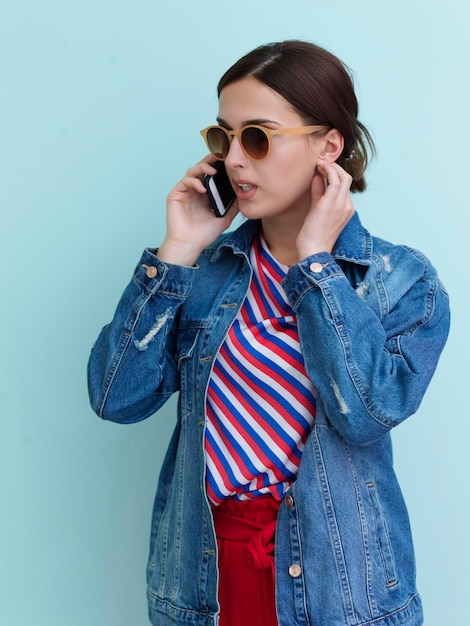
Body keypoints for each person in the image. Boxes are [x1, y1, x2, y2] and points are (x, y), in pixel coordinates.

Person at [87, 40, 450, 626]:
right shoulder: (199, 276)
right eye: (222, 137)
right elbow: (115, 399)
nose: (233, 159)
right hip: (212, 576)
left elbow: (365, 413)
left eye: (257, 136)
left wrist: (316, 267)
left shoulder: (400, 282)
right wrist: (176, 250)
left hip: (340, 584)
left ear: (328, 145)